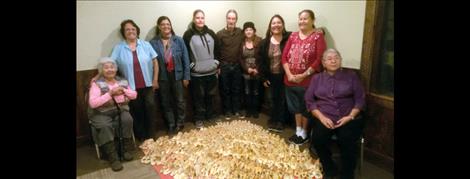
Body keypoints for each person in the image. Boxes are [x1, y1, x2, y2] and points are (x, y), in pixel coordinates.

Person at [305, 49, 366, 179]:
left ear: (340, 60)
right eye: (329, 58)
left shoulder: (351, 76)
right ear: (323, 63)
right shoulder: (317, 78)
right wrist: (321, 117)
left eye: (336, 57)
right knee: (318, 139)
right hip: (325, 116)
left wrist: (350, 116)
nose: (333, 60)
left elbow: (360, 99)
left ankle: (347, 173)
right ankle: (329, 167)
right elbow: (309, 100)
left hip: (348, 116)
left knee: (347, 140)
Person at [282, 9, 326, 145]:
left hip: (308, 81)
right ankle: (298, 131)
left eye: (305, 18)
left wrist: (304, 74)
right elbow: (284, 57)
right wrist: (289, 74)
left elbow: (320, 58)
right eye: (300, 18)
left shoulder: (318, 37)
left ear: (312, 20)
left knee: (305, 107)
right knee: (295, 107)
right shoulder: (293, 36)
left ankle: (305, 133)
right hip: (290, 80)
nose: (302, 21)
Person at [110, 19, 159, 141]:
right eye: (127, 29)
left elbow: (155, 62)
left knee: (150, 108)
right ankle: (141, 136)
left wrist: (155, 79)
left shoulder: (146, 45)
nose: (131, 31)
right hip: (131, 87)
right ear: (123, 32)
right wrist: (98, 77)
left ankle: (151, 135)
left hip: (148, 84)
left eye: (133, 29)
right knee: (137, 111)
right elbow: (111, 65)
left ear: (137, 31)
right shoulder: (119, 48)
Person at [88, 57, 137, 171]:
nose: (109, 70)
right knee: (105, 126)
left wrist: (124, 91)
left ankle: (125, 150)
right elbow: (93, 103)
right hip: (100, 113)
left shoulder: (122, 81)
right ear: (101, 70)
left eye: (112, 67)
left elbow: (134, 95)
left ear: (115, 69)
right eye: (106, 68)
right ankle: (113, 157)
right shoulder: (96, 84)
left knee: (127, 119)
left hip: (118, 110)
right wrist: (110, 94)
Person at [149, 16, 190, 135]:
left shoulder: (179, 40)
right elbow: (152, 62)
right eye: (163, 24)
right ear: (159, 26)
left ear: (171, 26)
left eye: (168, 24)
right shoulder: (153, 42)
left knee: (180, 101)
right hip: (163, 77)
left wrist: (186, 76)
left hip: (177, 75)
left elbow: (186, 59)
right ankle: (171, 124)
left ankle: (180, 123)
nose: (166, 26)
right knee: (165, 102)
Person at [183, 9, 220, 129]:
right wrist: (191, 66)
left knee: (210, 96)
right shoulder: (188, 34)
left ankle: (210, 116)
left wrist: (216, 63)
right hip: (197, 74)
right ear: (194, 19)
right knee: (198, 98)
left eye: (202, 18)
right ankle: (199, 119)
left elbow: (218, 49)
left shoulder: (211, 33)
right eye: (198, 18)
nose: (200, 20)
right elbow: (185, 54)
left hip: (211, 71)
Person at [259, 14, 292, 133]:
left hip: (284, 75)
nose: (276, 25)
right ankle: (274, 119)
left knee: (282, 99)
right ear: (270, 26)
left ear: (283, 25)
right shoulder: (265, 42)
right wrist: (263, 78)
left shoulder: (290, 38)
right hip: (271, 76)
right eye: (274, 23)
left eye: (279, 22)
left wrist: (319, 31)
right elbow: (261, 61)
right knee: (272, 99)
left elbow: (305, 35)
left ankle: (281, 122)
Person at [216, 9, 245, 120]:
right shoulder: (219, 34)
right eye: (229, 18)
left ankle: (236, 110)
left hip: (237, 65)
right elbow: (217, 51)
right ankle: (227, 111)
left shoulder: (240, 32)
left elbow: (250, 39)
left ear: (236, 20)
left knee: (236, 89)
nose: (231, 20)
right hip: (224, 66)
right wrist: (218, 67)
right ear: (226, 19)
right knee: (225, 89)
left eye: (233, 18)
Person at [239, 21, 262, 118]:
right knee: (247, 91)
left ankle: (255, 110)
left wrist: (257, 69)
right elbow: (240, 58)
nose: (248, 31)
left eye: (250, 29)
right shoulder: (242, 42)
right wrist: (246, 69)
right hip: (246, 72)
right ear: (244, 32)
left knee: (256, 91)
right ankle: (249, 110)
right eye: (246, 30)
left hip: (257, 72)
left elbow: (262, 57)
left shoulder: (259, 41)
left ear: (254, 31)